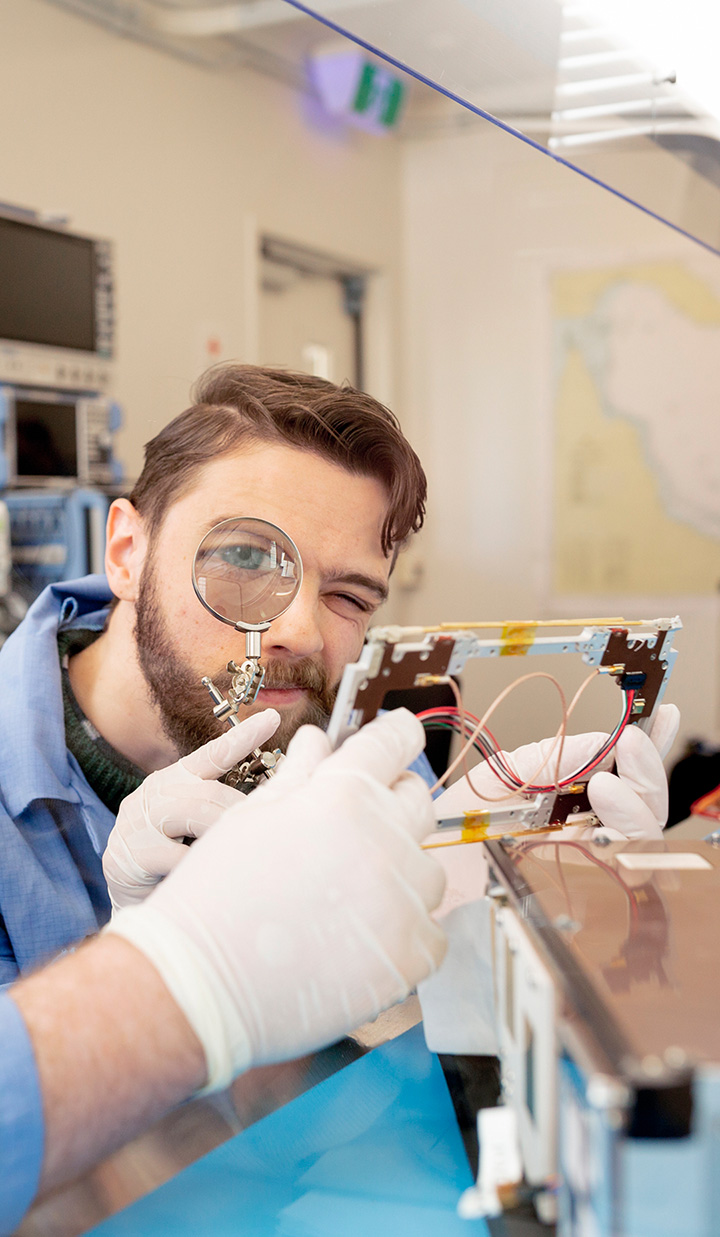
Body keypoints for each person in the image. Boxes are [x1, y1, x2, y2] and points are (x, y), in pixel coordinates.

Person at [0, 362, 677, 984]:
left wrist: (500, 920)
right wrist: (139, 975)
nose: (299, 631)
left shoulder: (355, 749)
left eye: (350, 597)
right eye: (246, 557)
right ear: (125, 553)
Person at [0, 709, 447, 1234]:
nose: (298, 632)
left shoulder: (340, 716)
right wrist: (171, 976)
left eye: (356, 616)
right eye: (247, 616)